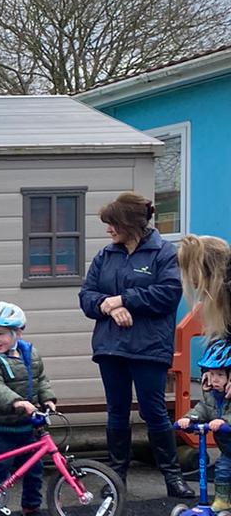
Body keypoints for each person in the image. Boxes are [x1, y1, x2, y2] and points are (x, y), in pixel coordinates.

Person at [78, 193, 193, 499]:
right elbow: (86, 296)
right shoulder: (105, 256)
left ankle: (173, 478)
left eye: (113, 224)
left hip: (149, 347)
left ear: (129, 223)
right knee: (116, 412)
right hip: (110, 347)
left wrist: (124, 299)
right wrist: (108, 305)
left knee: (153, 411)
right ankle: (116, 478)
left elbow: (168, 294)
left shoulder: (163, 253)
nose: (108, 230)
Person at [0, 301, 58, 516]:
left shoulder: (30, 353)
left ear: (18, 332)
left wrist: (47, 398)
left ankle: (31, 509)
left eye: (0, 333)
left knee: (34, 469)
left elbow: (40, 379)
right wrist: (17, 402)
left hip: (26, 424)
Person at [176, 338, 231, 512]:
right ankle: (222, 500)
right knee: (222, 470)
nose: (215, 380)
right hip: (228, 449)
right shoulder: (212, 397)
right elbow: (202, 409)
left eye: (220, 375)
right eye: (212, 374)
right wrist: (189, 419)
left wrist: (224, 421)